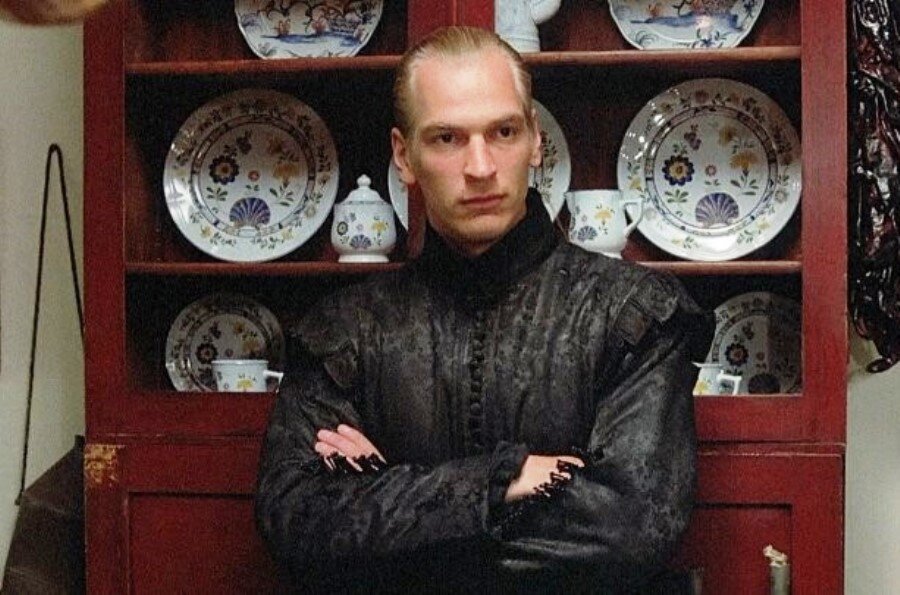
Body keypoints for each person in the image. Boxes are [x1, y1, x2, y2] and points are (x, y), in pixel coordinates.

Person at [255, 25, 714, 593]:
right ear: (404, 155)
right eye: (447, 138)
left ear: (536, 141)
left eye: (503, 132)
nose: (480, 166)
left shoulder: (634, 314)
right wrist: (502, 481)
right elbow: (298, 526)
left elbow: (628, 532)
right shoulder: (344, 330)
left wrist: (392, 496)